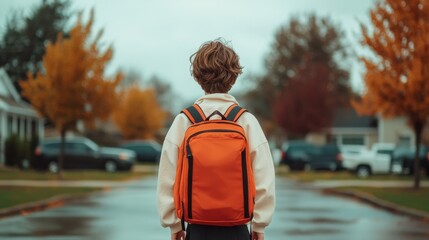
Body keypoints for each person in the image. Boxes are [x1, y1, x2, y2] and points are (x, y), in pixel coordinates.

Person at [157, 39, 275, 240]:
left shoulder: (184, 121)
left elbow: (168, 177)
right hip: (237, 227)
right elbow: (264, 177)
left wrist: (174, 225)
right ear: (234, 76)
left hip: (197, 227)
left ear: (197, 76)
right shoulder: (246, 121)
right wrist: (260, 224)